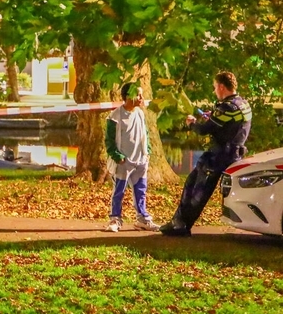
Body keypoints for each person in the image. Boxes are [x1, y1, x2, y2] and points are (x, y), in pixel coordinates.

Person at [161, 71, 252, 236]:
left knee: (197, 190)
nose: (214, 91)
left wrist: (192, 124)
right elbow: (231, 123)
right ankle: (178, 222)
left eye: (215, 87)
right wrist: (213, 117)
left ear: (222, 87)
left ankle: (181, 225)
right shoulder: (242, 103)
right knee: (193, 183)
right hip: (234, 154)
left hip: (219, 156)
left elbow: (204, 130)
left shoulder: (226, 107)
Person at [104, 82, 160, 233]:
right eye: (139, 94)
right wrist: (118, 157)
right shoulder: (115, 116)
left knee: (141, 191)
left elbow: (145, 133)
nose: (142, 98)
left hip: (140, 160)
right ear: (129, 96)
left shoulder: (140, 114)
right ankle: (115, 218)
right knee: (119, 192)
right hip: (124, 162)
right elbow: (109, 141)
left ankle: (142, 219)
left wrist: (146, 151)